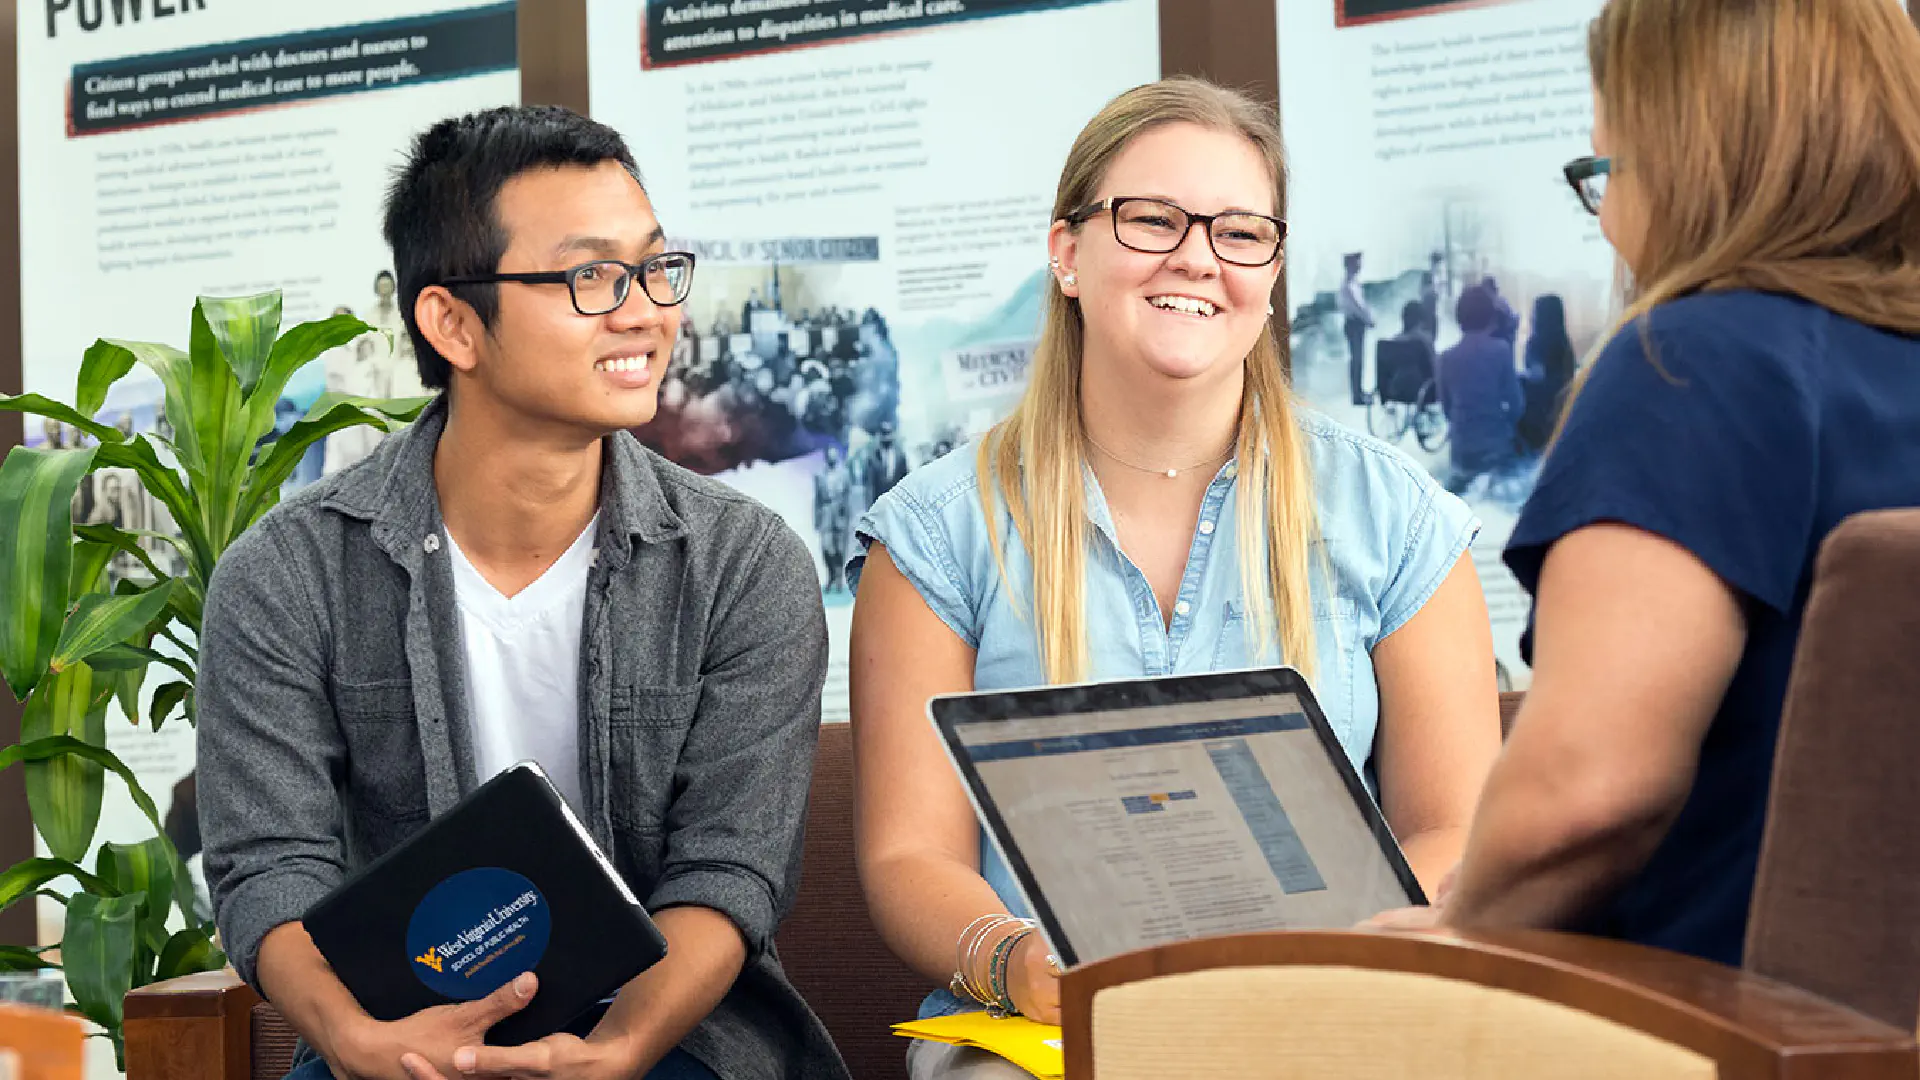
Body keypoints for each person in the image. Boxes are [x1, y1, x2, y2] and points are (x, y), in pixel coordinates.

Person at [847, 77, 1501, 1080]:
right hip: (1047, 1040)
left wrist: (1325, 948)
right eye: (1152, 219)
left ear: (1272, 273)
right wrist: (1017, 961)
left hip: (1332, 1019)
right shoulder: (937, 535)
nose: (1198, 256)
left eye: (1241, 233)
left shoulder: (1393, 515)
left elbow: (1459, 828)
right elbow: (908, 856)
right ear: (1067, 253)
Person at [196, 105, 846, 1080]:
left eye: (655, 267)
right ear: (453, 321)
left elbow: (730, 871)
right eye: (591, 277)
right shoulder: (286, 575)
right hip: (397, 1034)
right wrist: (355, 1038)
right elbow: (269, 870)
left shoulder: (744, 565)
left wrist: (621, 1047)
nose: (644, 312)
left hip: (674, 1039)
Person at [1367, 0, 1920, 970]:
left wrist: (1463, 929)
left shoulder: (1694, 362)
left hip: (1704, 1021)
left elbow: (1585, 794)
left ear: (1687, 158)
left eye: (1606, 171)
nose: (1611, 218)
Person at [1435, 285, 1526, 493]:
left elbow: (1447, 410)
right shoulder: (1500, 351)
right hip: (1495, 448)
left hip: (1461, 451)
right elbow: (1517, 405)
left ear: (1459, 318)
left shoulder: (1446, 358)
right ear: (1491, 317)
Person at [1517, 294, 1575, 452]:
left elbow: (1536, 377)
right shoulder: (1566, 344)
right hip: (1562, 419)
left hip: (1538, 421)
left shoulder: (1535, 343)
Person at [1338, 250, 1373, 405]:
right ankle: (1357, 396)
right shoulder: (1349, 285)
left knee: (1359, 359)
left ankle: (1359, 392)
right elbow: (1359, 307)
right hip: (1354, 324)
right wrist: (1369, 319)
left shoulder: (1351, 283)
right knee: (1357, 359)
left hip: (1355, 324)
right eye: (1357, 262)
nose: (1360, 265)